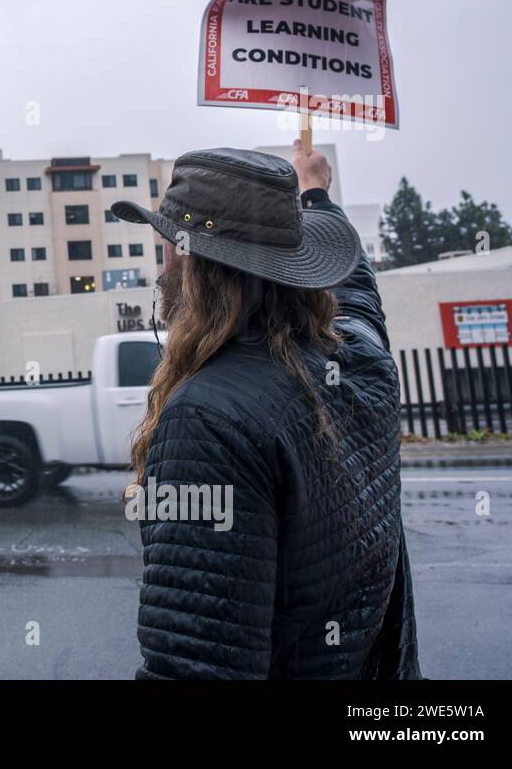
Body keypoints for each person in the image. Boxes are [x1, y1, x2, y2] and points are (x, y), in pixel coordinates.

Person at [111, 141, 420, 680]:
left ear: (188, 258)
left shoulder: (208, 419)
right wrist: (316, 195)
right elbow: (360, 297)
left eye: (168, 241)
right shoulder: (363, 362)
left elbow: (198, 665)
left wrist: (313, 192)